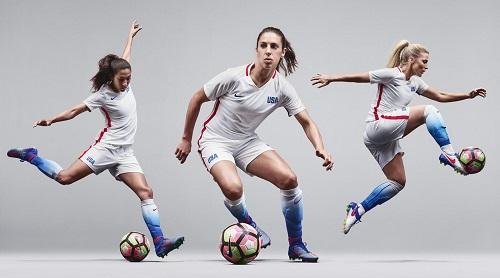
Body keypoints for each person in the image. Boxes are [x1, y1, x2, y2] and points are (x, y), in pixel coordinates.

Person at [7, 21, 184, 257]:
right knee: (64, 178)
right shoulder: (102, 95)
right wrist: (51, 120)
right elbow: (73, 111)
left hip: (125, 154)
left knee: (146, 193)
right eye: (122, 79)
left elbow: (125, 57)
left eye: (129, 78)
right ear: (111, 78)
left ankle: (160, 242)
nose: (127, 83)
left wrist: (130, 37)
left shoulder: (125, 83)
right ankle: (31, 156)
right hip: (106, 149)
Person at [175, 27, 333, 262]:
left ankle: (296, 245)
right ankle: (251, 227)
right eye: (264, 46)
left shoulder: (282, 88)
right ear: (257, 50)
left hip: (247, 141)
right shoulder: (233, 77)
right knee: (233, 189)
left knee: (289, 180)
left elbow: (307, 122)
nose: (268, 51)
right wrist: (186, 138)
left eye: (274, 47)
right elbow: (197, 98)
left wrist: (319, 146)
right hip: (215, 141)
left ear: (282, 52)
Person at [311, 40, 486, 235]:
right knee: (428, 111)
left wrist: (467, 95)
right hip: (377, 126)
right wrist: (331, 78)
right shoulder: (392, 74)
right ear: (411, 59)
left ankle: (358, 209)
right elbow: (360, 76)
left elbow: (440, 95)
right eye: (424, 62)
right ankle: (450, 155)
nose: (426, 67)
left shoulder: (415, 83)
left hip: (385, 138)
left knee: (397, 182)